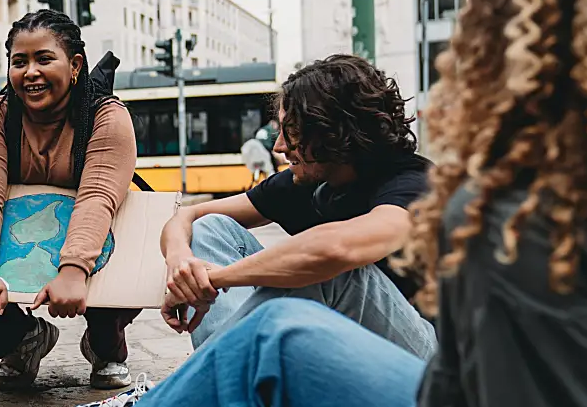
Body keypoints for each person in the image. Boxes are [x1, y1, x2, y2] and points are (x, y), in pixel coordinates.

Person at [0, 0, 587, 407]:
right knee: (278, 330)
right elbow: (189, 214)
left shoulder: (466, 198)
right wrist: (190, 255)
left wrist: (216, 278)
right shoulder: (513, 192)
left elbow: (357, 247)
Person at [159, 54, 437, 357]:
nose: (278, 147)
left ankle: (206, 378)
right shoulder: (307, 181)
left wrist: (213, 279)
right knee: (211, 228)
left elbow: (335, 251)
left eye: (289, 131)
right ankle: (231, 376)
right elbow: (186, 215)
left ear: (330, 132)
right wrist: (181, 266)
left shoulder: (413, 182)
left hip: (424, 364)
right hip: (343, 353)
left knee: (336, 270)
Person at [0, 10, 139, 390]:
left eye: (44, 59)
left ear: (75, 64)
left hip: (93, 241)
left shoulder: (107, 117)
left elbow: (98, 197)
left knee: (134, 248)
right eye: (19, 62)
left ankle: (104, 344)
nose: (30, 72)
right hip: (20, 241)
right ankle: (24, 338)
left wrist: (75, 270)